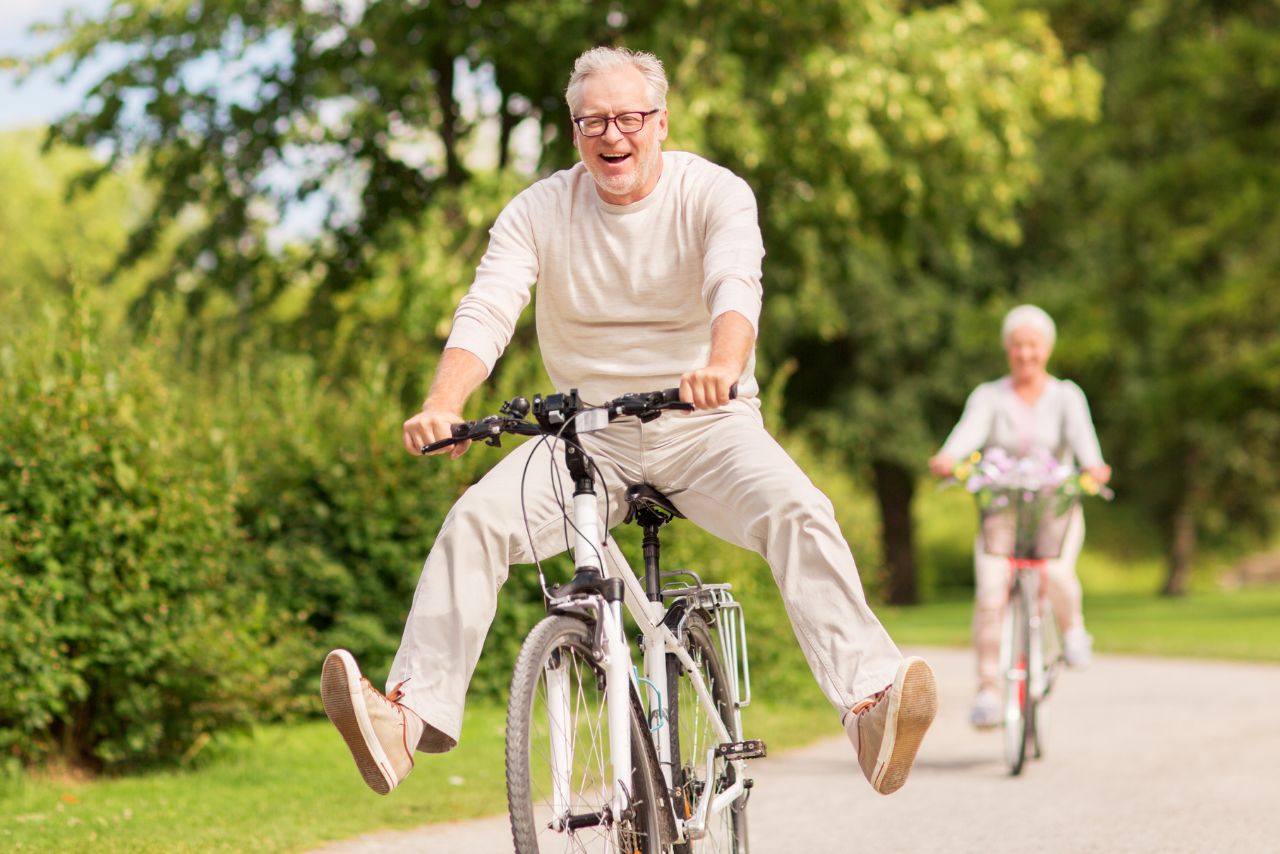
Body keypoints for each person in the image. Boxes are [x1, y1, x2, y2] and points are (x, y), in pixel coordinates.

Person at [320, 46, 937, 799]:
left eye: (629, 118)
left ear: (661, 122)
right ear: (574, 130)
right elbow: (488, 308)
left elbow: (735, 285)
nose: (613, 135)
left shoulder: (713, 192)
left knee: (799, 509)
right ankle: (404, 721)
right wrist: (443, 403)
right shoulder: (539, 209)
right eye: (593, 122)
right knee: (475, 520)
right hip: (586, 437)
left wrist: (722, 365)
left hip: (706, 424)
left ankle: (870, 706)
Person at [928, 305, 1111, 729]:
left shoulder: (1067, 396)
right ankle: (989, 692)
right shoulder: (989, 396)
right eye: (1017, 346)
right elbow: (965, 435)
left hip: (1055, 509)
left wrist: (1095, 467)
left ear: (1046, 349)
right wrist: (948, 457)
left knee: (1058, 573)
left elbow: (1087, 447)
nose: (1025, 354)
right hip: (1003, 511)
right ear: (1007, 350)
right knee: (991, 593)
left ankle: (1073, 632)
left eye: (1033, 346)